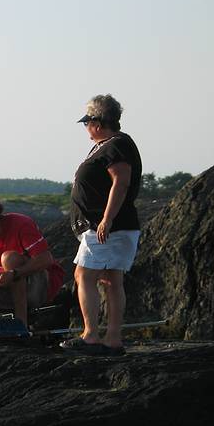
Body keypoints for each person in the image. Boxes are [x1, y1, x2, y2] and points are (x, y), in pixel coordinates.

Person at [61, 93, 141, 356]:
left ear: (97, 122)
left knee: (84, 275)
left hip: (106, 227)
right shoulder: (111, 144)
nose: (86, 128)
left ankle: (91, 335)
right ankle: (113, 338)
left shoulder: (117, 145)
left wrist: (106, 219)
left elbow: (121, 181)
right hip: (111, 226)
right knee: (110, 280)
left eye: (87, 123)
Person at [0, 196, 64, 328]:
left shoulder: (20, 224)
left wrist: (14, 273)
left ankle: (21, 324)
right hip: (5, 292)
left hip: (40, 288)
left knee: (9, 259)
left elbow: (46, 259)